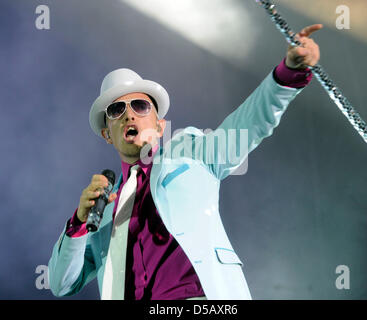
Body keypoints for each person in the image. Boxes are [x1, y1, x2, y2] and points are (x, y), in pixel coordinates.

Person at [48, 24, 323, 300]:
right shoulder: (104, 210)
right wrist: (79, 222)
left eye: (140, 106)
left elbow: (247, 126)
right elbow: (61, 284)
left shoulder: (191, 152)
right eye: (117, 109)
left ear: (159, 125)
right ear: (108, 133)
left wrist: (288, 74)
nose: (129, 115)